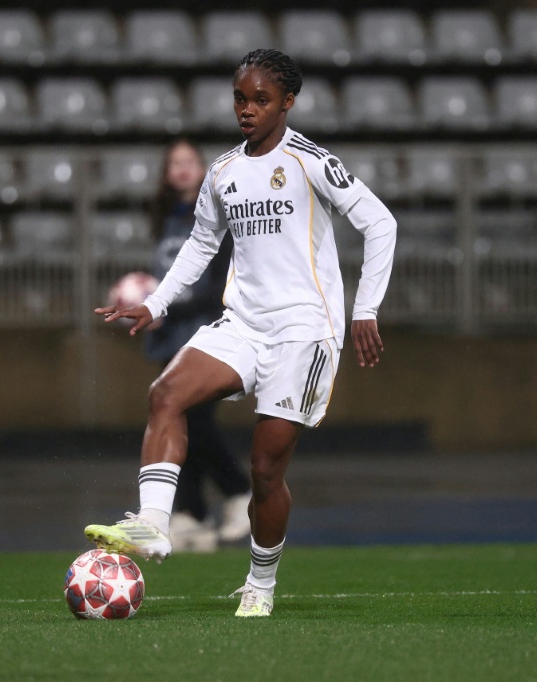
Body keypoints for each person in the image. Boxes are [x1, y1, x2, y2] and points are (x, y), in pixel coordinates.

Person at [84, 49, 396, 617]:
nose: (247, 110)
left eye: (260, 99)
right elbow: (201, 244)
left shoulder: (311, 161)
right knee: (165, 395)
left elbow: (380, 222)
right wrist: (155, 304)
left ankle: (260, 582)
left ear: (287, 102)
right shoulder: (223, 172)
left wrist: (365, 309)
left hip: (304, 331)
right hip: (244, 323)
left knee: (264, 470)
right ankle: (154, 526)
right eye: (239, 99)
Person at [145, 139, 252, 553]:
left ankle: (239, 491)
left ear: (203, 168)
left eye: (190, 161)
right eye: (175, 162)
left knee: (195, 421)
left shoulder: (217, 216)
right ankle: (191, 514)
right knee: (178, 420)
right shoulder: (165, 218)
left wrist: (168, 303)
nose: (183, 169)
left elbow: (221, 283)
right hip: (170, 335)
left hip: (207, 330)